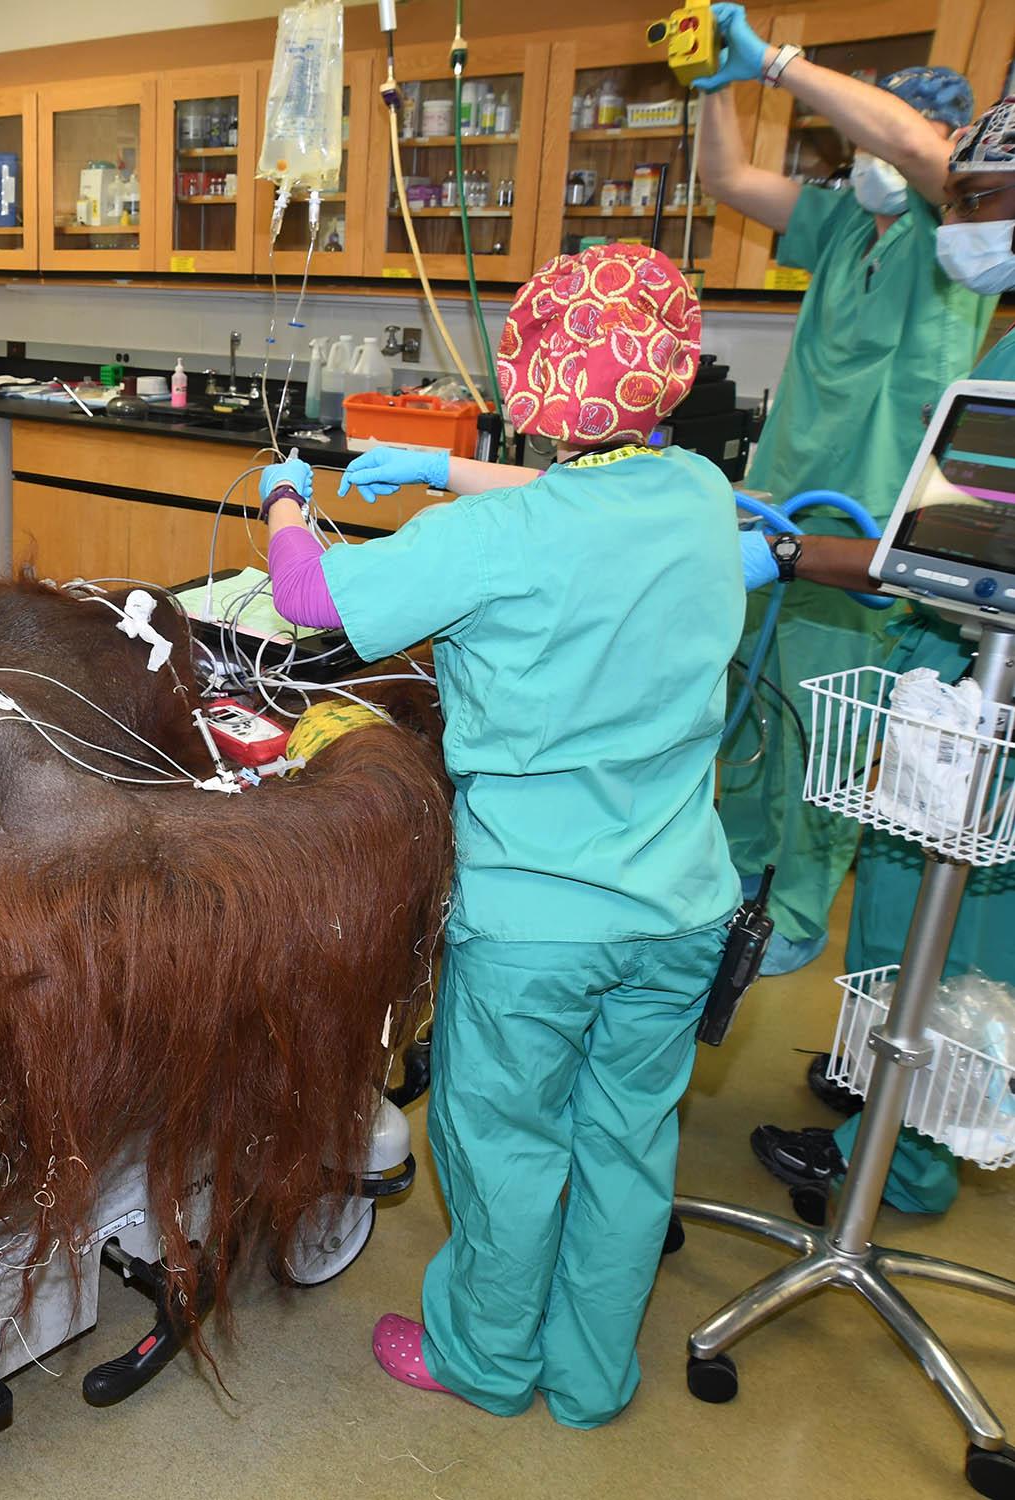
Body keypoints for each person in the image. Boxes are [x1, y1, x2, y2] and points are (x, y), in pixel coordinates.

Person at [279, 245, 740, 1426]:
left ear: (533, 379)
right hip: (681, 903)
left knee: (508, 1143)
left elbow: (307, 600)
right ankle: (591, 1376)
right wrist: (444, 464)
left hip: (537, 919)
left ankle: (484, 1359)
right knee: (628, 1145)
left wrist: (291, 499)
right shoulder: (699, 495)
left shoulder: (492, 544)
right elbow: (577, 507)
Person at [743, 94, 1015, 1220]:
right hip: (973, 675)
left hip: (988, 705)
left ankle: (894, 1169)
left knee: (940, 935)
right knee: (916, 923)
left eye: (984, 200)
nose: (966, 222)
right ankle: (881, 1091)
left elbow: (954, 559)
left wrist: (797, 554)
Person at [695, 4, 994, 975]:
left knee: (827, 727)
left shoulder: (958, 235)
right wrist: (715, 89)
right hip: (778, 506)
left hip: (864, 533)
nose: (862, 148)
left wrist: (775, 60)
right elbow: (730, 180)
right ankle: (737, 876)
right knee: (753, 704)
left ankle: (796, 909)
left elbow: (910, 143)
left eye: (875, 130)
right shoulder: (835, 225)